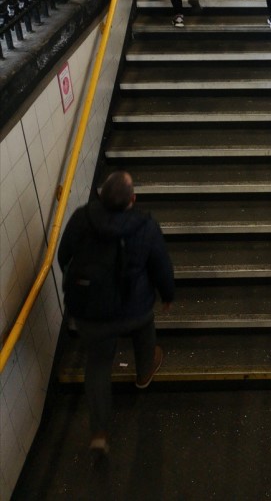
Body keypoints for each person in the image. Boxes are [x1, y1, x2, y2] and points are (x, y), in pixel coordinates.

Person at [58, 171, 175, 454]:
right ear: (133, 199)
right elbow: (160, 265)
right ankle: (144, 372)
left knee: (97, 364)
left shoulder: (81, 218)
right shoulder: (145, 226)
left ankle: (99, 431)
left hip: (90, 313)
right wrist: (167, 295)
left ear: (101, 196)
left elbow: (64, 257)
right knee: (145, 327)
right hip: (133, 309)